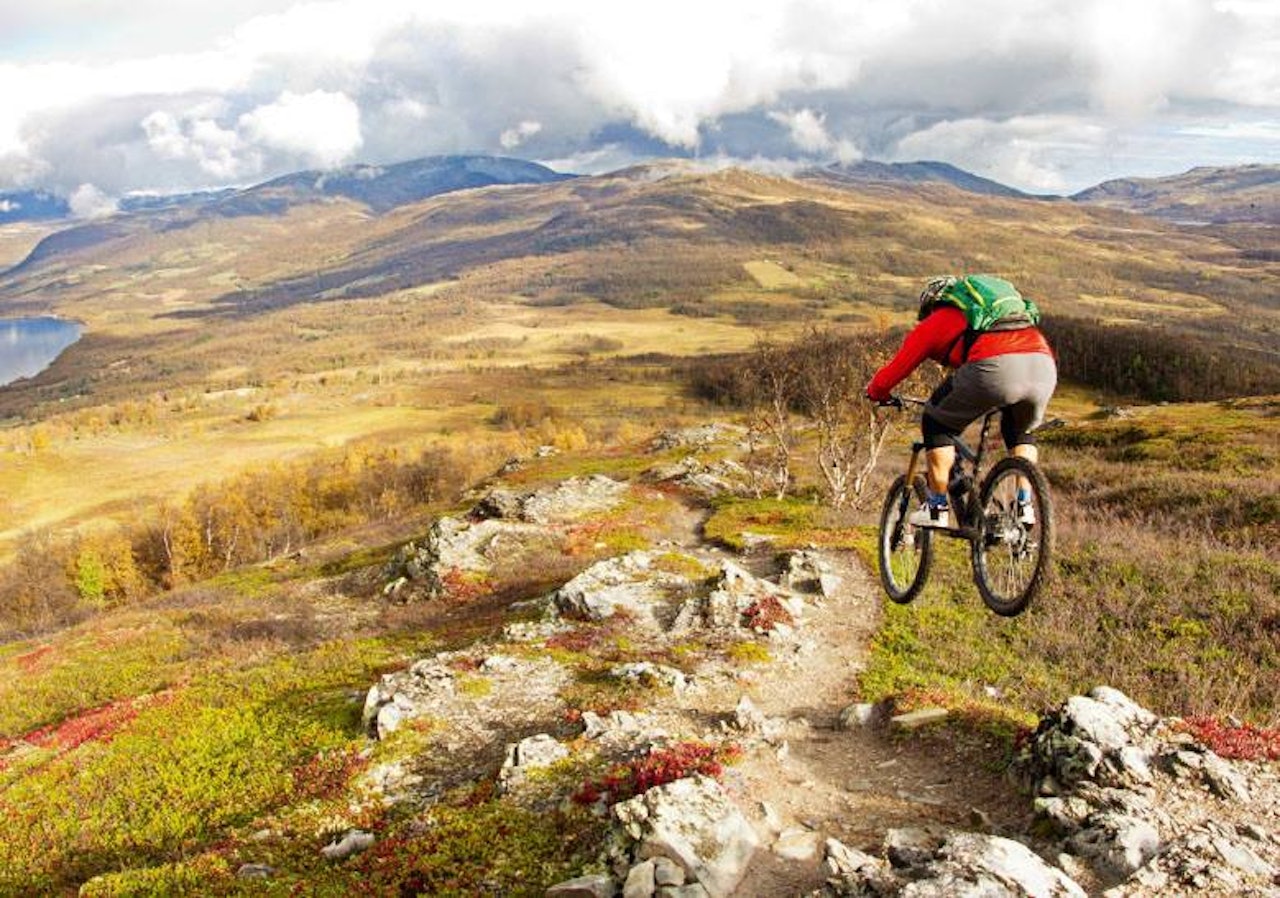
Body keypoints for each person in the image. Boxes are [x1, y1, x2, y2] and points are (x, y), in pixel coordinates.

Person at [865, 276, 1057, 528]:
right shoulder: (994, 315)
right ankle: (1024, 505)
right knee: (1020, 432)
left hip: (994, 366)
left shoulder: (938, 320)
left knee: (935, 421)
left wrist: (877, 392)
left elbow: (896, 369)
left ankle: (936, 507)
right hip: (1043, 365)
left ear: (932, 305)